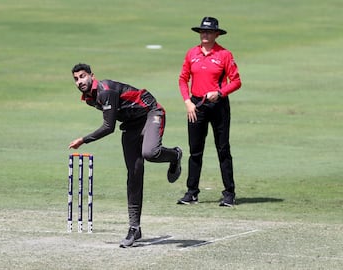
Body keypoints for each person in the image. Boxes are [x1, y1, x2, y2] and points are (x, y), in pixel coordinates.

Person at [68, 63, 182, 247]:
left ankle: (175, 155)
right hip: (131, 126)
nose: (79, 81)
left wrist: (83, 139)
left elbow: (108, 127)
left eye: (82, 76)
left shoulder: (105, 90)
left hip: (150, 112)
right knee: (134, 174)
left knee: (150, 153)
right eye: (75, 79)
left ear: (91, 76)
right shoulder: (89, 98)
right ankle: (134, 228)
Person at [177, 17, 242, 207]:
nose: (204, 35)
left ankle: (229, 193)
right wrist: (188, 102)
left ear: (216, 34)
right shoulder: (192, 53)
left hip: (218, 105)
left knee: (223, 149)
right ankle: (192, 192)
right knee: (195, 150)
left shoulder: (224, 54)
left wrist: (220, 92)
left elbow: (236, 81)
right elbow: (183, 79)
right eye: (202, 32)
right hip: (196, 105)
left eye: (208, 32)